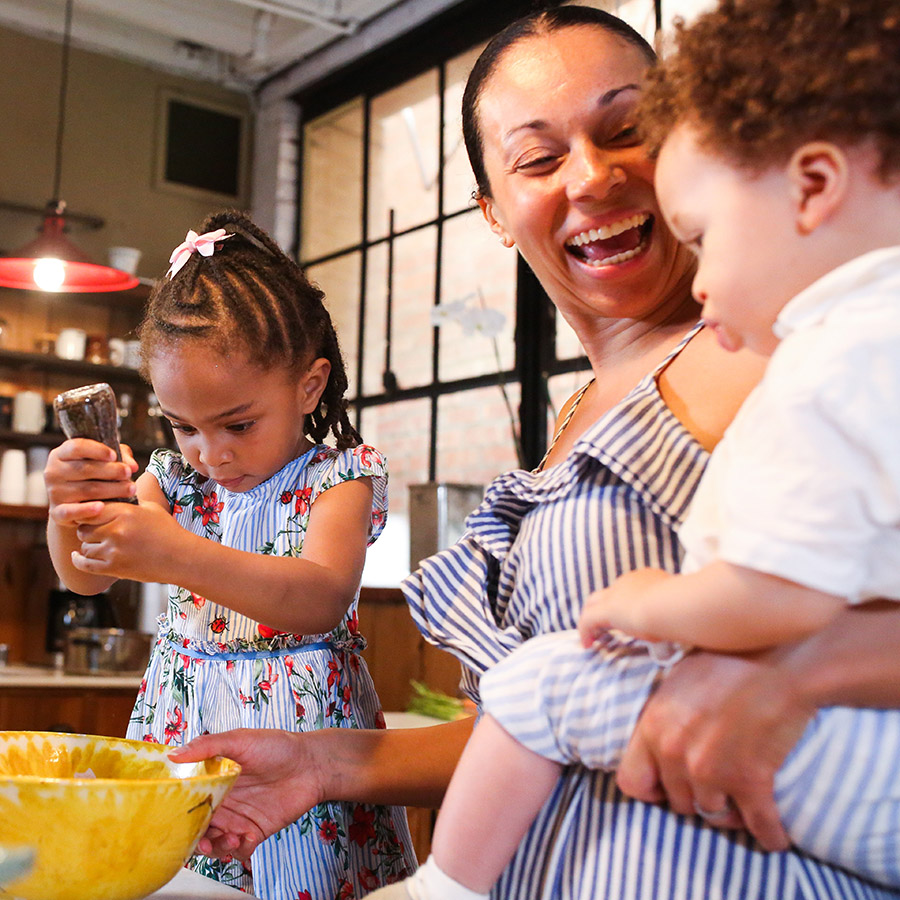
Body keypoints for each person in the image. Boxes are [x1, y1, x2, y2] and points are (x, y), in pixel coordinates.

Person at [172, 8, 900, 900]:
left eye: (627, 130)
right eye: (539, 158)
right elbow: (543, 723)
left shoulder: (792, 347)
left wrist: (805, 676)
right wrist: (321, 764)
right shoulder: (574, 416)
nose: (592, 175)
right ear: (494, 212)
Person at [43, 210, 416, 899]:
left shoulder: (338, 479)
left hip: (304, 736)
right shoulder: (177, 480)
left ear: (309, 386)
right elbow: (85, 576)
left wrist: (176, 552)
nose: (212, 453)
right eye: (183, 426)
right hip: (187, 721)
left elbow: (319, 599)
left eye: (238, 424)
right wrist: (70, 511)